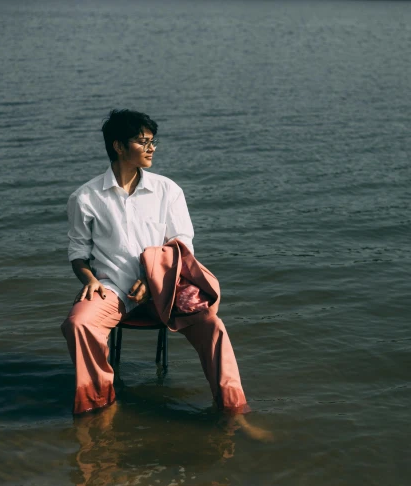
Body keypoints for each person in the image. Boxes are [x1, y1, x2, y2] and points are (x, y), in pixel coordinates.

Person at [60, 110, 270, 440]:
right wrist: (90, 280)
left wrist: (153, 278)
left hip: (166, 289)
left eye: (152, 141)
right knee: (78, 323)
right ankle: (100, 404)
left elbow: (182, 246)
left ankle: (234, 413)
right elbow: (78, 253)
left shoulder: (167, 191)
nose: (152, 147)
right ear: (118, 146)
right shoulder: (85, 197)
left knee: (214, 328)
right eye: (143, 141)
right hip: (111, 289)